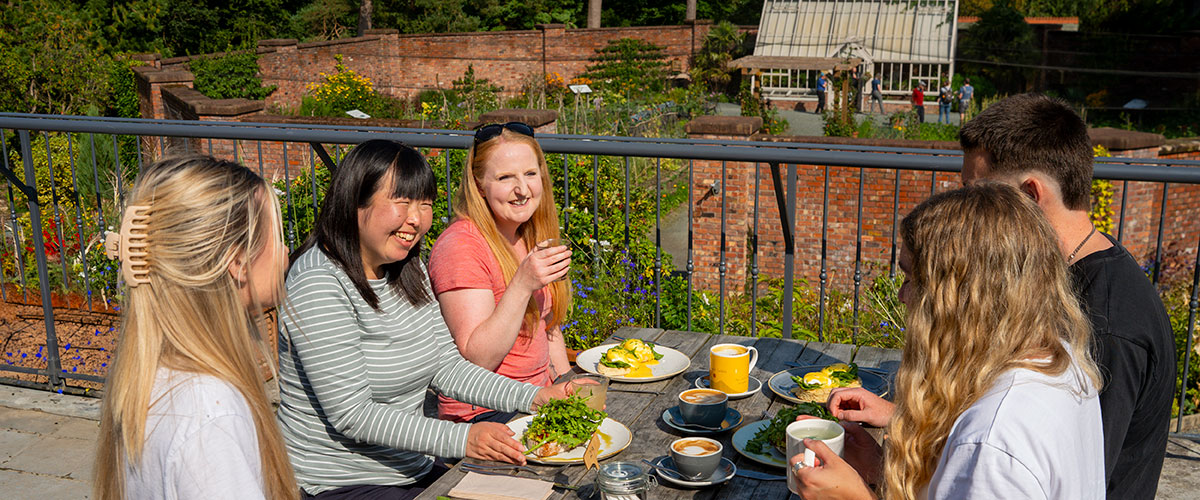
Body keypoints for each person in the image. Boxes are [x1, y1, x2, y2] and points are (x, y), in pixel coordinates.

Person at [277, 139, 579, 498]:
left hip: (412, 467)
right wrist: (464, 438)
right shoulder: (318, 281)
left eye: (425, 204)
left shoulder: (405, 266)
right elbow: (353, 413)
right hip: (341, 483)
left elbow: (447, 367)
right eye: (401, 203)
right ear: (355, 201)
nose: (416, 219)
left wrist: (535, 398)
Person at [793, 183, 1105, 499]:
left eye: (912, 279)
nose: (902, 296)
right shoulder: (1057, 360)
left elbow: (984, 462)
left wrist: (856, 497)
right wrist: (880, 466)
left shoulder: (991, 443)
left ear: (958, 301)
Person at [959, 93, 1175, 500]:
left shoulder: (1107, 324)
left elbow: (1069, 478)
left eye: (977, 194)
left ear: (1030, 194)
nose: (968, 209)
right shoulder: (1074, 275)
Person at [93, 156, 298, 500]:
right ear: (237, 262)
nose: (285, 251)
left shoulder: (152, 377)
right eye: (276, 236)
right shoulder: (212, 416)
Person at [429, 122, 572, 424]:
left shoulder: (529, 234)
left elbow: (547, 325)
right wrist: (521, 285)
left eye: (530, 174)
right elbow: (477, 357)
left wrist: (566, 379)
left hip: (538, 399)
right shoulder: (461, 245)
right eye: (505, 178)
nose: (522, 190)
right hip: (483, 414)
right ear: (480, 185)